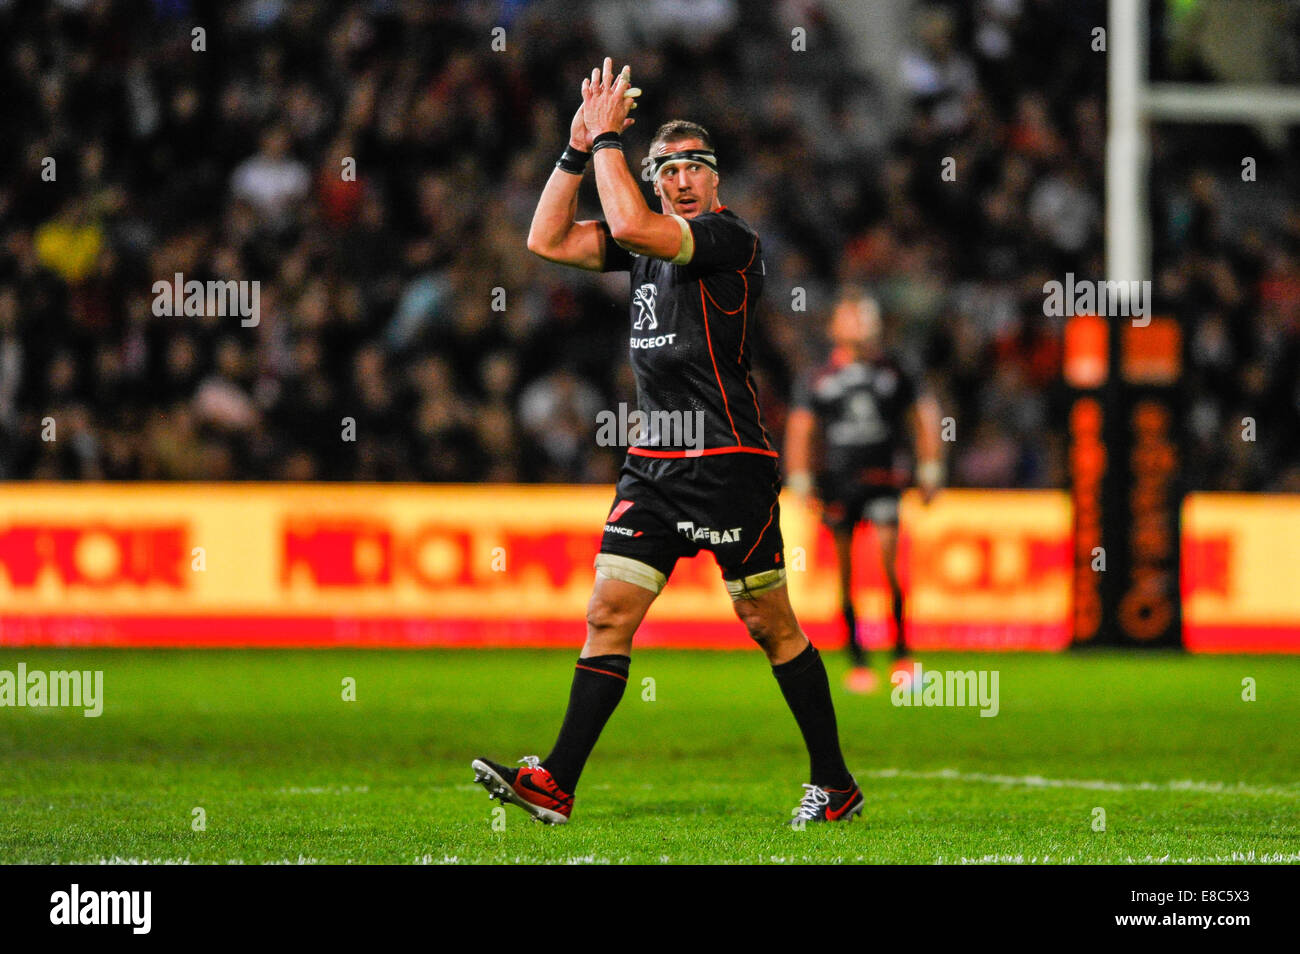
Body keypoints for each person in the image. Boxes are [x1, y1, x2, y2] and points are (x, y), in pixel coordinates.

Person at [472, 58, 862, 826]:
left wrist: (613, 137)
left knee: (768, 624)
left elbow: (625, 222)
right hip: (653, 466)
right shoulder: (644, 244)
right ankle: (556, 780)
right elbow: (544, 237)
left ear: (715, 182)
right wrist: (578, 149)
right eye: (669, 168)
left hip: (726, 461)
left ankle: (835, 784)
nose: (683, 178)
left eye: (696, 166)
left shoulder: (724, 238)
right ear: (653, 179)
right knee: (607, 615)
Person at [784, 291, 943, 694]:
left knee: (890, 565)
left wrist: (929, 465)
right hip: (838, 483)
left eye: (864, 317)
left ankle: (902, 653)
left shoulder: (895, 371)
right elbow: (802, 427)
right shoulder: (819, 377)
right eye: (851, 317)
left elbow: (923, 413)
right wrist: (800, 477)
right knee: (846, 574)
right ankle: (857, 657)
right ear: (834, 326)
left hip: (884, 478)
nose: (859, 324)